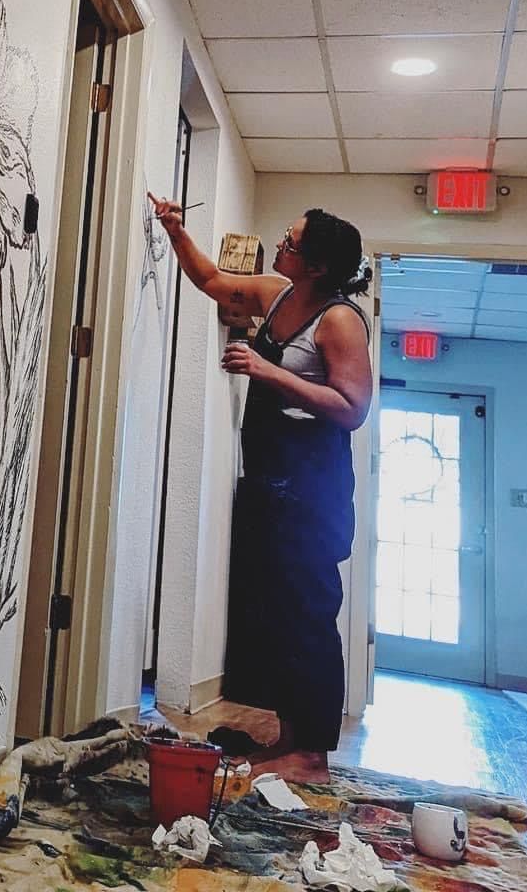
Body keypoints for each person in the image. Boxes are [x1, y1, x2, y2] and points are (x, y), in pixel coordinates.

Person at [148, 195, 374, 780]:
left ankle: (312, 754)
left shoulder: (340, 320)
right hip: (271, 480)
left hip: (314, 489)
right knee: (276, 616)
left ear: (317, 266)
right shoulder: (277, 293)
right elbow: (210, 280)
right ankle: (287, 740)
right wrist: (175, 229)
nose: (280, 244)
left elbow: (353, 408)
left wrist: (265, 369)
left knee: (309, 618)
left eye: (290, 242)